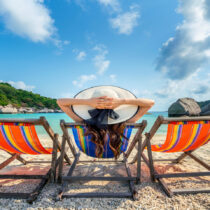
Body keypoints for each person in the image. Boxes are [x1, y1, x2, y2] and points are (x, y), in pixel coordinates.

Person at [57, 86, 154, 158]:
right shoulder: (125, 124)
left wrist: (87, 102)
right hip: (116, 151)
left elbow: (60, 102)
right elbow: (150, 103)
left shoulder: (82, 122)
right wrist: (122, 101)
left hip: (90, 152)